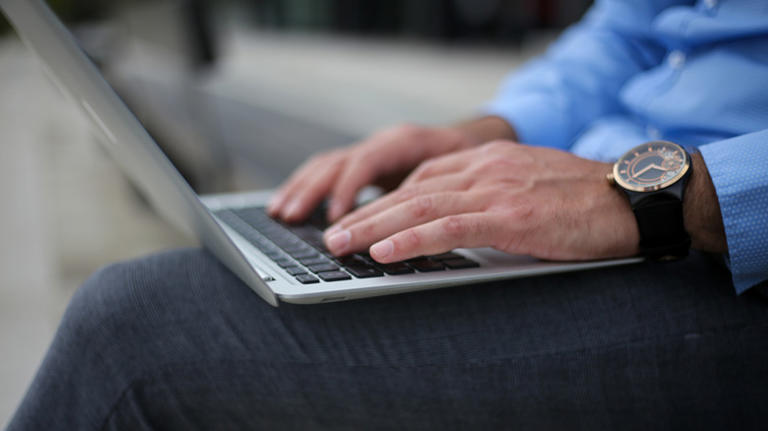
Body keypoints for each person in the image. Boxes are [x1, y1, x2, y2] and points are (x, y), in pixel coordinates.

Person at [8, 0, 768, 429]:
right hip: (618, 196)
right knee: (284, 239)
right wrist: (485, 134)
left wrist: (675, 195)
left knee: (139, 330)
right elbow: (635, 31)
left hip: (726, 263)